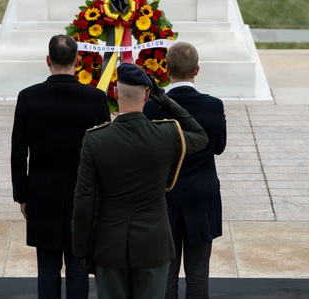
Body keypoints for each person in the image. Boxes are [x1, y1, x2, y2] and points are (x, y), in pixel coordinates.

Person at [72, 62, 208, 299]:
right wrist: (167, 102)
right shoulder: (166, 134)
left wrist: (82, 250)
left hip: (109, 244)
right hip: (153, 243)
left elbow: (84, 199)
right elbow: (200, 136)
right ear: (147, 95)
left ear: (115, 92)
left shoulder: (95, 139)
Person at [11, 34, 111, 299]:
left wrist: (22, 194)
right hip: (84, 194)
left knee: (47, 270)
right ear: (78, 61)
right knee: (79, 269)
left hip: (42, 193)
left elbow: (19, 153)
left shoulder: (28, 97)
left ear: (48, 60)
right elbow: (105, 152)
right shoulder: (96, 99)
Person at [144, 42, 227, 299]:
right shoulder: (213, 106)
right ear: (197, 70)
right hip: (202, 196)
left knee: (166, 275)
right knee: (199, 274)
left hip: (165, 197)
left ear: (166, 70)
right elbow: (219, 147)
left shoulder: (152, 107)